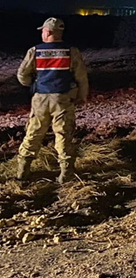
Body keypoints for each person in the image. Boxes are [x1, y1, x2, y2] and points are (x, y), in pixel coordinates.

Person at [16, 17, 89, 184]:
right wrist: (82, 96)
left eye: (42, 30)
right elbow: (81, 77)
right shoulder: (71, 51)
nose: (42, 33)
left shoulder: (35, 51)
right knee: (63, 134)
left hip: (40, 98)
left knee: (34, 132)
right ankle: (65, 173)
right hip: (62, 98)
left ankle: (22, 170)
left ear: (47, 32)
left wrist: (32, 84)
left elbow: (22, 75)